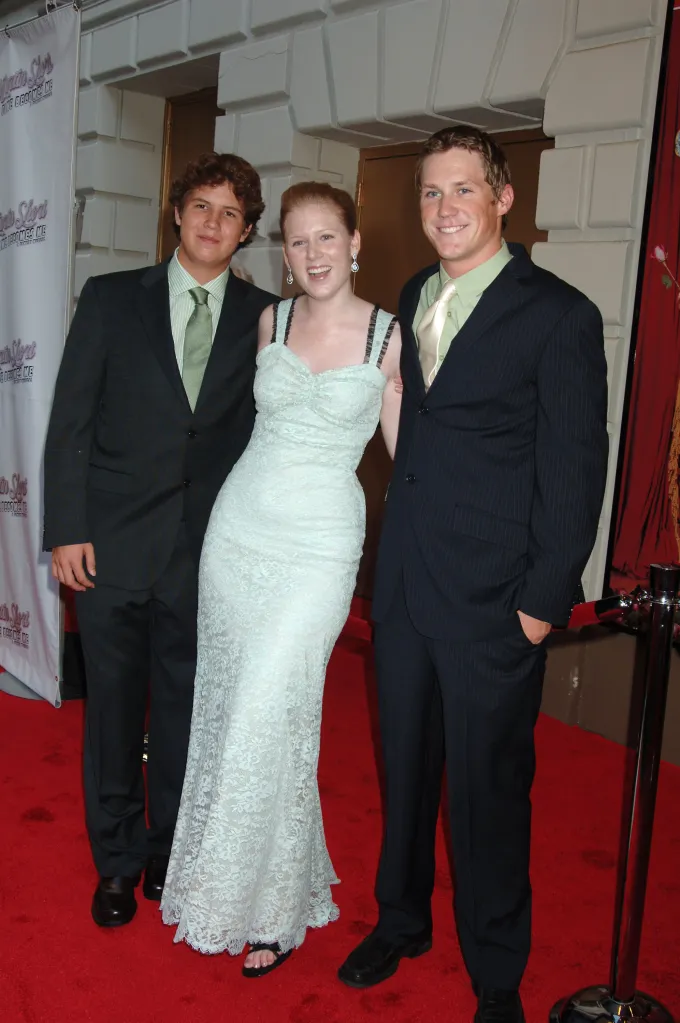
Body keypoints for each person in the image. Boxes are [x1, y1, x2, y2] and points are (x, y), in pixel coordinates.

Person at [337, 127, 609, 1022]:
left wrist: (539, 604)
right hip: (407, 585)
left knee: (489, 792)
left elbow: (574, 472)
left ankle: (497, 972)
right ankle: (402, 919)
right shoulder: (416, 292)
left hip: (496, 602)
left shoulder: (559, 314)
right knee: (405, 769)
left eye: (463, 189)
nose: (444, 207)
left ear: (503, 198)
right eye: (430, 192)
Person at [160, 181, 402, 978]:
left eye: (326, 236)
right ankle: (254, 885)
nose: (312, 253)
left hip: (319, 547)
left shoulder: (390, 336)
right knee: (238, 707)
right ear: (284, 254)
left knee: (273, 703)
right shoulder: (273, 320)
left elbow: (411, 457)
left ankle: (272, 909)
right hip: (239, 533)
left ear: (354, 242)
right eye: (297, 241)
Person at [43, 152, 276, 928]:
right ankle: (115, 860)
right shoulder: (112, 298)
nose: (213, 222)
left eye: (231, 213)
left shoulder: (266, 317)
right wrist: (67, 528)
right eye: (202, 205)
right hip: (109, 545)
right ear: (177, 212)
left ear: (246, 231)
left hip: (209, 551)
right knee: (113, 709)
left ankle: (167, 849)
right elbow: (71, 420)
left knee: (185, 708)